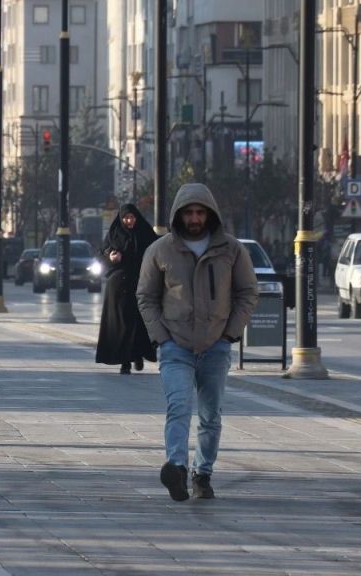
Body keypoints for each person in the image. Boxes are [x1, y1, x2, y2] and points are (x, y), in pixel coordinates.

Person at [137, 183, 258, 501]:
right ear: (179, 214)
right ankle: (176, 467)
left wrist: (231, 332)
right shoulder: (161, 250)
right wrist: (160, 336)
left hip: (215, 344)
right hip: (175, 344)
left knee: (210, 415)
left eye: (199, 212)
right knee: (178, 406)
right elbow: (146, 297)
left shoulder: (231, 250)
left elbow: (248, 292)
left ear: (210, 214)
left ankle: (202, 473)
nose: (194, 218)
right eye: (188, 212)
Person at [95, 204, 159, 375]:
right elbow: (101, 255)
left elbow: (157, 252)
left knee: (139, 323)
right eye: (126, 218)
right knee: (122, 322)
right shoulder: (114, 234)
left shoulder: (145, 234)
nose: (129, 221)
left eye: (132, 217)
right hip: (119, 286)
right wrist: (110, 257)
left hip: (141, 284)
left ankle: (137, 355)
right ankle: (125, 361)